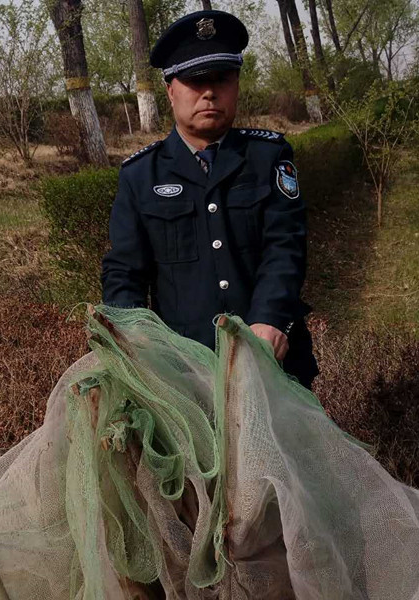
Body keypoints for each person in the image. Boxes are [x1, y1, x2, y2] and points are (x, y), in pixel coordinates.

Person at [101, 9, 319, 389]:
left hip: (274, 363)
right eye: (194, 80)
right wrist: (136, 340)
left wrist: (269, 319)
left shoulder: (268, 157)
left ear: (236, 84)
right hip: (184, 373)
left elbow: (285, 248)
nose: (208, 92)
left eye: (221, 79)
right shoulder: (140, 176)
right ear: (170, 89)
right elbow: (124, 274)